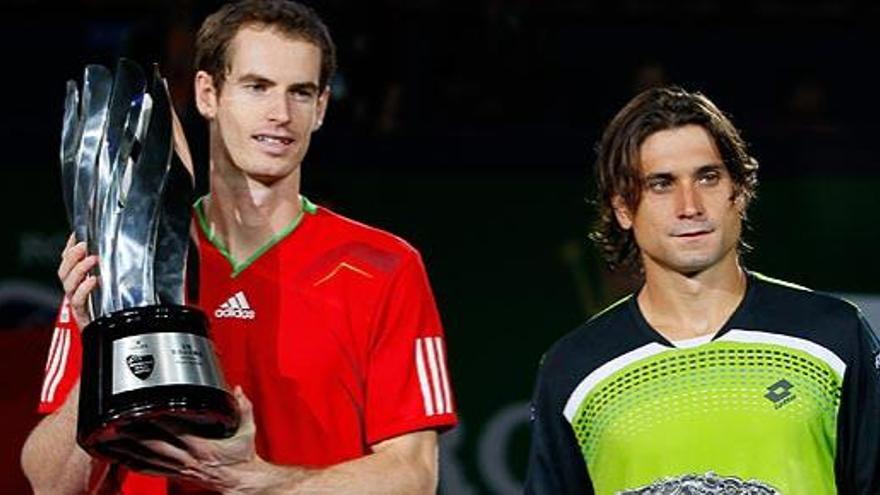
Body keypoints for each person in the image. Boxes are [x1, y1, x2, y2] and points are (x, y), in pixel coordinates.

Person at [21, 1, 457, 493]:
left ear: (320, 110)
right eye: (257, 87)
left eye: (301, 93)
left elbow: (415, 475)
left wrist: (261, 482)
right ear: (208, 93)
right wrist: (102, 343)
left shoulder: (384, 266)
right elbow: (50, 484)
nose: (280, 115)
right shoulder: (125, 255)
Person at [523, 86, 880, 494]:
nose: (689, 205)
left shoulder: (833, 335)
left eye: (708, 177)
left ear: (740, 191)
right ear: (623, 207)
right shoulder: (574, 368)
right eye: (661, 184)